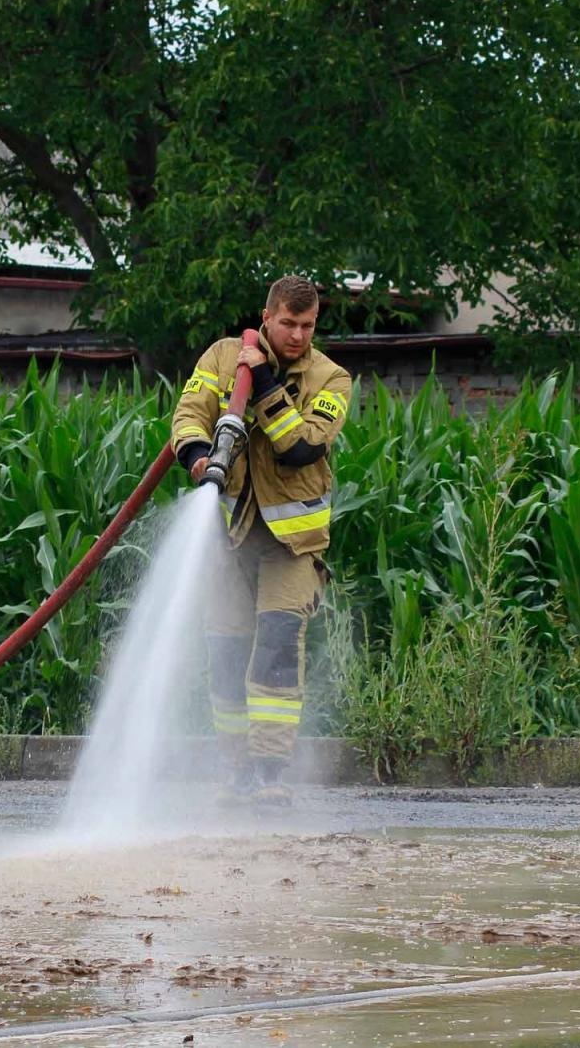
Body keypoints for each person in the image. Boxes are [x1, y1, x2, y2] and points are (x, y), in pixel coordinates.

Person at [170, 275, 353, 806]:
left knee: (275, 649)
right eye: (288, 323)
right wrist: (199, 455)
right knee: (226, 653)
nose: (298, 334)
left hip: (293, 547)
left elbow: (302, 447)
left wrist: (266, 382)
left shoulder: (331, 379)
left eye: (308, 325)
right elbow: (188, 414)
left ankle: (271, 774)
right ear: (267, 316)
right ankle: (236, 771)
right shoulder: (223, 358)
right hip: (227, 539)